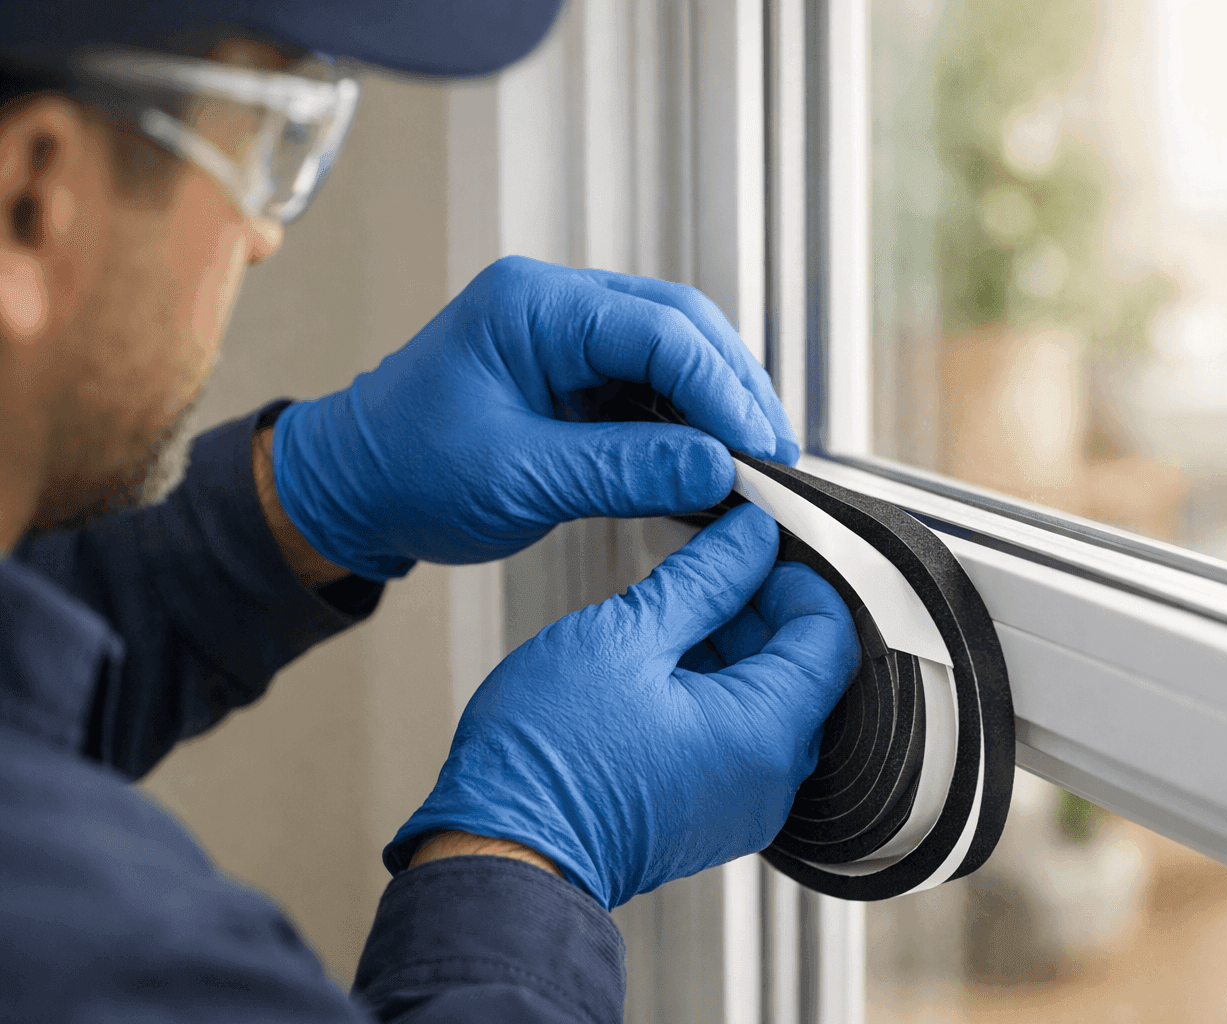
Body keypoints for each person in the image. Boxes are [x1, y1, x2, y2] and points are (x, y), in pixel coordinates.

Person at [0, 1, 860, 1020]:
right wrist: (527, 852)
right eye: (270, 140)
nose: (264, 233)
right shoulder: (108, 961)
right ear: (30, 198)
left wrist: (304, 498)